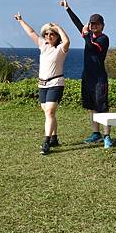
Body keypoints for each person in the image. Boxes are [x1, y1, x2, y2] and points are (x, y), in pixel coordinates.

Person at [13, 12, 70, 154]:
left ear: (57, 36)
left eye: (52, 34)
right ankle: (54, 138)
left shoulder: (61, 49)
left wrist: (58, 27)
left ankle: (46, 142)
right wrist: (21, 20)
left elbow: (67, 41)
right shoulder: (43, 45)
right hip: (42, 84)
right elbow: (31, 32)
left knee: (50, 111)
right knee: (48, 113)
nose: (49, 36)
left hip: (56, 82)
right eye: (47, 34)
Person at [59, 0, 113, 148]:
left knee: (102, 107)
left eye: (96, 24)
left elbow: (92, 46)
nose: (93, 25)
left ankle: (107, 135)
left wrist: (86, 34)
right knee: (92, 107)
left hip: (99, 79)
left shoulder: (103, 39)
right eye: (91, 23)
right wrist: (68, 8)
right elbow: (78, 24)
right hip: (87, 77)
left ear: (102, 25)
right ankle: (96, 134)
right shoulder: (88, 35)